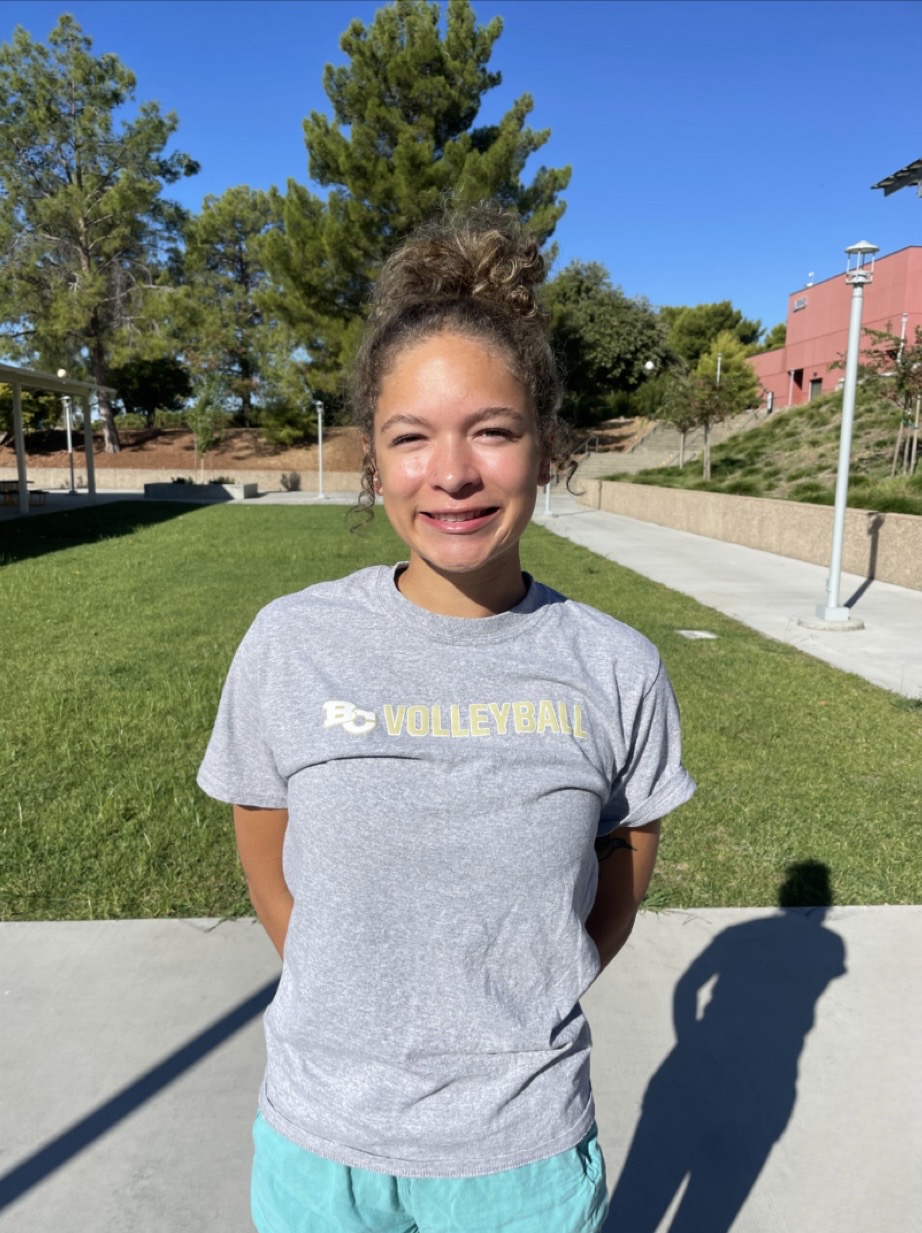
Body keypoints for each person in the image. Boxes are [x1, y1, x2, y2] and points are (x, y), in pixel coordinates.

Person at [197, 200, 696, 1233]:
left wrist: (527, 1000)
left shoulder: (614, 666)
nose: (453, 473)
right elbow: (263, 851)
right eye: (411, 437)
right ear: (372, 460)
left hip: (523, 1155)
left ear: (546, 451)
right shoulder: (291, 643)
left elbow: (625, 855)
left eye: (493, 432)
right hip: (320, 1147)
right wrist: (349, 986)